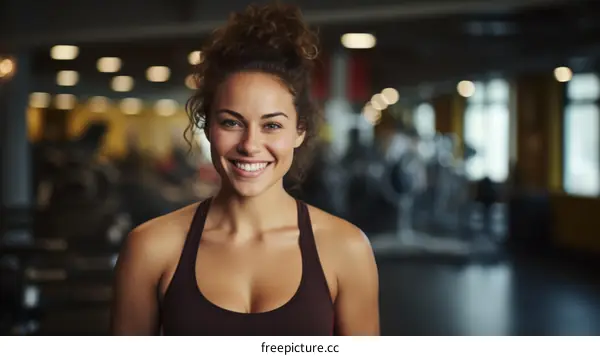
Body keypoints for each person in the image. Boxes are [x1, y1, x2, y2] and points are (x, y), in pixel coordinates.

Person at [110, 2, 380, 336]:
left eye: (272, 126)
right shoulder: (150, 248)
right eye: (231, 122)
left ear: (300, 131)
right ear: (208, 127)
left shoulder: (347, 249)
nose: (250, 145)